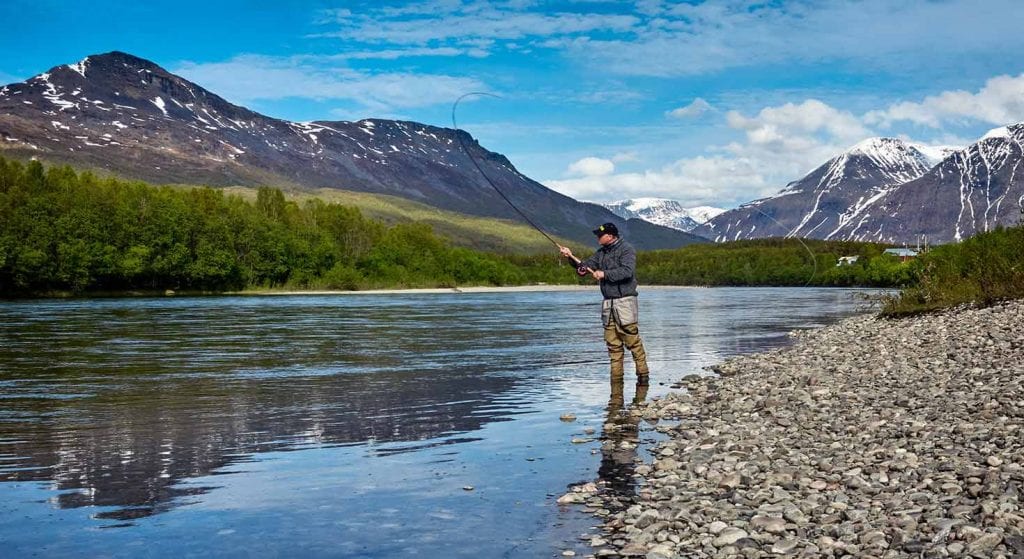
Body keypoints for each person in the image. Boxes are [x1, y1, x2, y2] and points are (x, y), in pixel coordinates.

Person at [559, 223, 650, 385]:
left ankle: (643, 378)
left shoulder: (626, 249)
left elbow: (627, 271)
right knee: (613, 346)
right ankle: (616, 383)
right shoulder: (601, 253)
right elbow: (585, 267)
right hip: (608, 304)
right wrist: (570, 258)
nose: (597, 237)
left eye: (600, 235)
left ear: (610, 236)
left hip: (625, 302)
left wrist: (604, 274)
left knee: (633, 342)